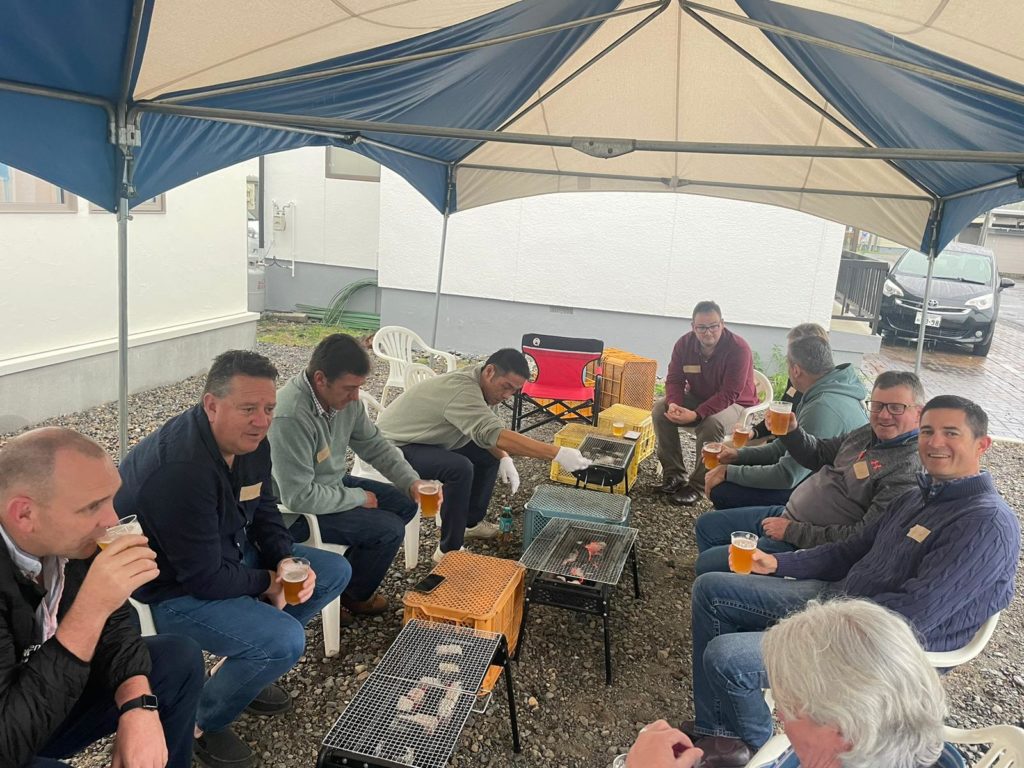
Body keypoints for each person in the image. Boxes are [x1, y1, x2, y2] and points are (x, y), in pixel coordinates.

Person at [688, 395, 1019, 767]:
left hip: (882, 650)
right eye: (927, 431)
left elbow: (912, 616)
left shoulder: (985, 524)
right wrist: (777, 562)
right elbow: (849, 550)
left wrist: (818, 626)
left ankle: (758, 752)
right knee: (711, 589)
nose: (935, 442)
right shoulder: (917, 496)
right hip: (841, 602)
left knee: (727, 657)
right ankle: (721, 731)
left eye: (951, 433)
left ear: (982, 445)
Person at [115, 350, 351, 768]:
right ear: (211, 404)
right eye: (248, 409)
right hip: (172, 588)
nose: (261, 421)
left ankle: (244, 667)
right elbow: (204, 578)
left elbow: (265, 508)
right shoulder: (180, 470)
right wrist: (268, 582)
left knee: (333, 571)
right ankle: (198, 718)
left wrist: (282, 560)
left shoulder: (250, 443)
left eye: (269, 408)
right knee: (283, 642)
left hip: (227, 551)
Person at [0, 427, 204, 768]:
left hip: (53, 693)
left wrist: (139, 704)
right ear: (24, 514)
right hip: (9, 730)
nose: (112, 521)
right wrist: (91, 608)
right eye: (93, 506)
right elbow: (7, 742)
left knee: (177, 658)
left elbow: (116, 623)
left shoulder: (72, 542)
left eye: (111, 499)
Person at [269, 333, 434, 620]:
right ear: (320, 379)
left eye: (359, 387)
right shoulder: (290, 416)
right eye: (349, 388)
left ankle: (348, 585)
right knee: (388, 529)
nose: (356, 396)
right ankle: (355, 596)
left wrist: (412, 481)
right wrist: (357, 498)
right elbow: (298, 497)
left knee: (406, 502)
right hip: (293, 515)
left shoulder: (345, 402)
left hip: (329, 486)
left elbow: (374, 445)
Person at [695, 370, 924, 574]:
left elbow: (862, 538)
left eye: (896, 408)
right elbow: (819, 454)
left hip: (805, 543)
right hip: (788, 513)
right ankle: (733, 581)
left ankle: (733, 586)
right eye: (878, 405)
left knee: (707, 565)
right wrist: (792, 432)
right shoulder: (869, 433)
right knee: (707, 525)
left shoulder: (906, 469)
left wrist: (793, 532)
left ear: (919, 413)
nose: (883, 415)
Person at [376, 348, 590, 560]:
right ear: (489, 371)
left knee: (488, 454)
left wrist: (503, 457)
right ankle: (448, 551)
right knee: (459, 468)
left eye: (514, 391)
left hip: (428, 439)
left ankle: (470, 523)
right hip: (393, 446)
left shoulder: (483, 383)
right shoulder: (463, 390)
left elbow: (487, 434)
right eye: (506, 387)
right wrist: (557, 453)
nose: (506, 395)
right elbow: (494, 434)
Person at [757, 599, 965, 768]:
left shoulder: (825, 752)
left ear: (844, 733)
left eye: (789, 707)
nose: (781, 715)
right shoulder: (908, 748)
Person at [704, 335, 867, 510]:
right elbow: (782, 448)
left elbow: (787, 475)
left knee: (723, 490)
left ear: (795, 370)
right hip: (819, 475)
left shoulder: (822, 406)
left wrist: (727, 472)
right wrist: (737, 455)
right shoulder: (831, 388)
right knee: (734, 468)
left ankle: (759, 525)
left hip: (835, 497)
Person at [653, 301, 759, 506]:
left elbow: (730, 393)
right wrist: (674, 404)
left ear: (722, 324)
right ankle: (674, 474)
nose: (708, 332)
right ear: (693, 326)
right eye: (701, 327)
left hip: (736, 404)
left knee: (711, 423)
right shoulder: (684, 344)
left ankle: (698, 485)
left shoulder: (738, 348)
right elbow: (674, 379)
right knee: (660, 409)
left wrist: (696, 414)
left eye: (713, 326)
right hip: (699, 397)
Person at [749, 323, 828, 441]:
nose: (788, 356)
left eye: (792, 350)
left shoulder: (822, 398)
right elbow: (780, 414)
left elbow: (804, 444)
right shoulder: (796, 379)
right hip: (780, 444)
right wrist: (754, 432)